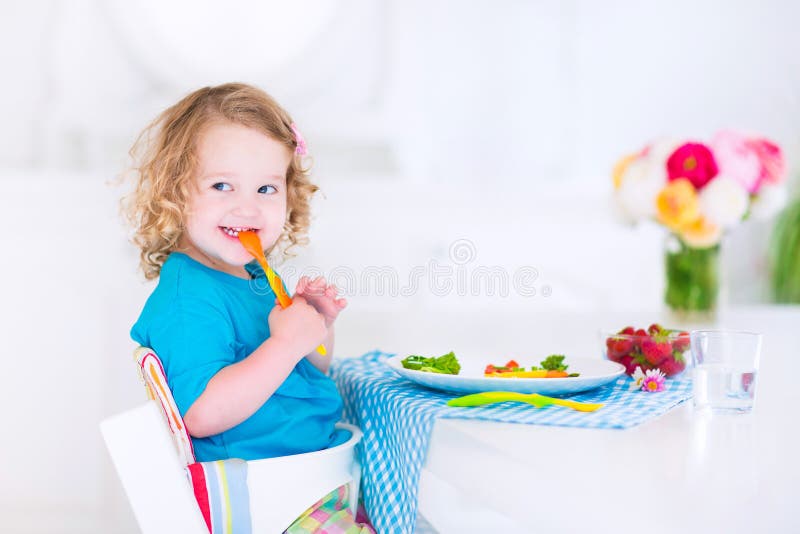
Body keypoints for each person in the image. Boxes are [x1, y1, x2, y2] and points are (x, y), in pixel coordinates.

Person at [125, 83, 372, 532]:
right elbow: (200, 413)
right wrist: (284, 343)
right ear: (175, 193)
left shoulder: (257, 275)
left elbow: (311, 368)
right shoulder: (187, 299)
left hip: (312, 478)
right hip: (262, 500)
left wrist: (317, 327)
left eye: (266, 188)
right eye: (222, 185)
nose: (248, 207)